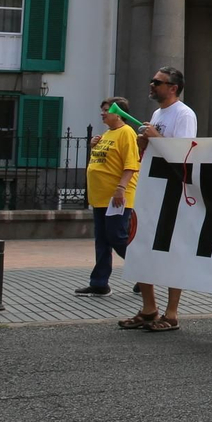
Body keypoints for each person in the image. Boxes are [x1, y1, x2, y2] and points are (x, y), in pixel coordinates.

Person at [124, 66, 196, 334]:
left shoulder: (184, 114)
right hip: (152, 187)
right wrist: (146, 143)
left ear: (173, 88)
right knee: (141, 245)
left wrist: (156, 138)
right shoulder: (158, 113)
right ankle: (148, 308)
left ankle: (172, 312)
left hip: (172, 190)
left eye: (158, 82)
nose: (152, 85)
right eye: (152, 81)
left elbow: (183, 154)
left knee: (171, 248)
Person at [76, 96, 141, 297]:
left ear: (119, 113)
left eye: (106, 110)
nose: (102, 113)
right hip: (101, 197)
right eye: (102, 109)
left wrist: (121, 188)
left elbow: (131, 164)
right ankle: (99, 283)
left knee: (117, 236)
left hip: (117, 197)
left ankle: (145, 271)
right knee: (102, 239)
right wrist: (93, 146)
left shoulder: (126, 133)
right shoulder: (106, 135)